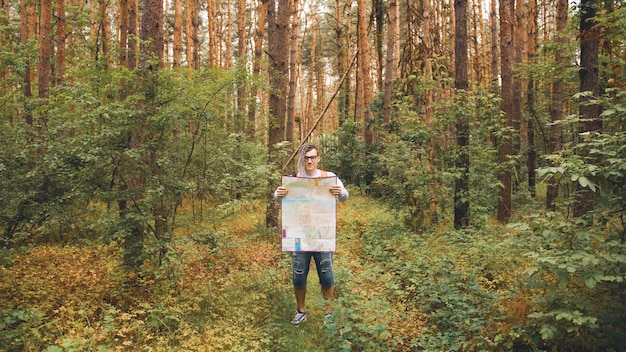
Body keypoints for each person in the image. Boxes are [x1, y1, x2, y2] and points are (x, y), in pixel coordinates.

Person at [274, 143, 349, 326]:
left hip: (322, 235)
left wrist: (340, 192)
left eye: (312, 157)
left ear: (318, 158)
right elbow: (278, 194)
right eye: (306, 158)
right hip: (299, 237)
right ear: (302, 159)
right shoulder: (295, 179)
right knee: (299, 274)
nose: (309, 161)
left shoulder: (329, 177)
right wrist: (278, 193)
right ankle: (301, 311)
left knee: (326, 274)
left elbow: (345, 196)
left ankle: (328, 313)